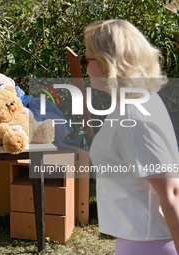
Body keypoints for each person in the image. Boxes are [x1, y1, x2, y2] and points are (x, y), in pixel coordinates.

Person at [83, 19, 179, 255]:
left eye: (86, 59)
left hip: (148, 243)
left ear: (108, 62)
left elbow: (171, 192)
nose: (84, 67)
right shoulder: (138, 101)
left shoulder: (132, 115)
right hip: (140, 238)